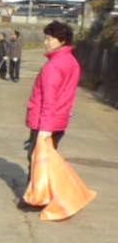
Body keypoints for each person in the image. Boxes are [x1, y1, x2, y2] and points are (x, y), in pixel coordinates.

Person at [25, 20, 81, 171]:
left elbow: (49, 99)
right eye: (46, 38)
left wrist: (45, 129)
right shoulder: (72, 61)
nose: (46, 42)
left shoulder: (53, 66)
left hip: (45, 121)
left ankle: (37, 194)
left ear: (62, 41)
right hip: (59, 119)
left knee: (37, 162)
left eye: (50, 39)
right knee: (48, 160)